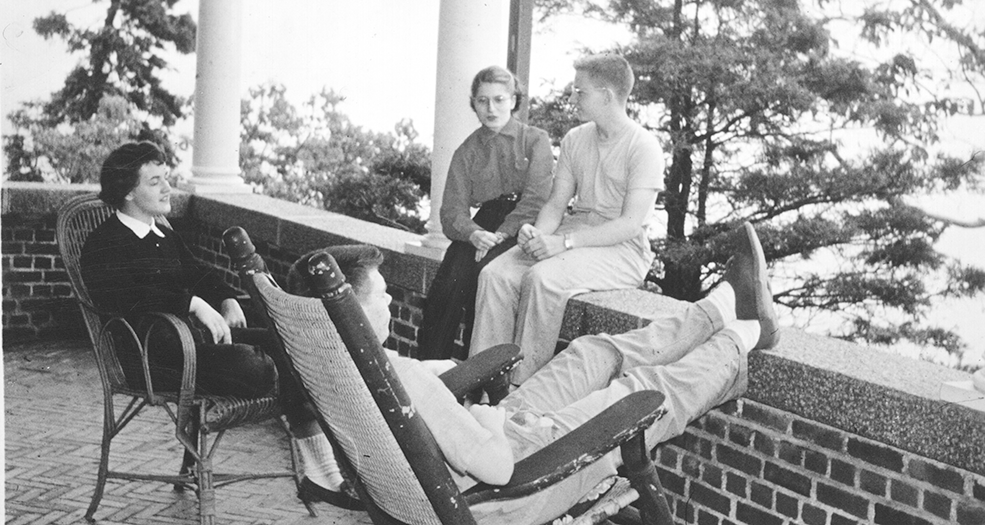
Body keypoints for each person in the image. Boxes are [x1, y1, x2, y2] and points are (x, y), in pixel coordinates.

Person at [288, 221, 779, 525]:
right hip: (510, 490)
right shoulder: (396, 380)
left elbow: (423, 426)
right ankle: (747, 335)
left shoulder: (334, 372)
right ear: (345, 313)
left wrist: (466, 408)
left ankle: (718, 308)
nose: (392, 299)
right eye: (379, 295)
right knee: (644, 393)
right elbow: (498, 467)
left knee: (590, 353)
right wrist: (487, 420)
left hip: (465, 461)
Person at [79, 142, 358, 510]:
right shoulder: (106, 243)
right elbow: (128, 301)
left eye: (166, 178)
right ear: (129, 192)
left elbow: (202, 273)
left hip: (196, 344)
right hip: (152, 358)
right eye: (155, 182)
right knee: (257, 366)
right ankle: (325, 471)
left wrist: (225, 298)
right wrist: (192, 304)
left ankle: (323, 474)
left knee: (294, 345)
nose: (167, 188)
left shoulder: (161, 232)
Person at [469, 53, 665, 383]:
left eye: (580, 91)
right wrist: (537, 233)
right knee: (496, 274)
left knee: (543, 279)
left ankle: (519, 388)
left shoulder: (643, 147)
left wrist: (563, 242)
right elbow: (556, 204)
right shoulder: (577, 139)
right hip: (573, 234)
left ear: (606, 96)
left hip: (622, 248)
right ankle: (482, 380)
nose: (572, 98)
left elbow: (630, 223)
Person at [418, 66, 554, 361]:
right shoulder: (466, 151)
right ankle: (429, 367)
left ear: (514, 100)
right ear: (474, 104)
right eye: (482, 101)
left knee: (483, 279)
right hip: (484, 223)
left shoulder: (534, 140)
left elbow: (536, 198)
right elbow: (452, 209)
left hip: (524, 222)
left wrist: (502, 234)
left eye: (499, 99)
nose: (491, 108)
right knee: (449, 280)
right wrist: (474, 234)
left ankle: (475, 374)